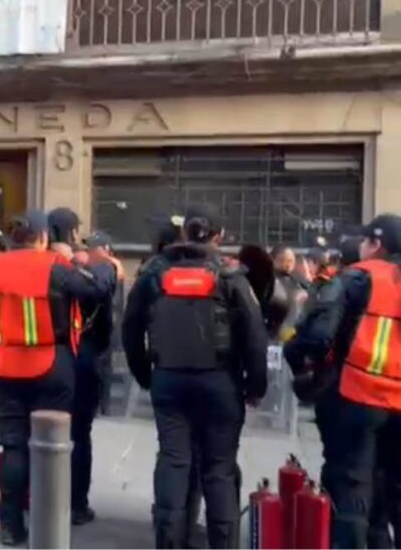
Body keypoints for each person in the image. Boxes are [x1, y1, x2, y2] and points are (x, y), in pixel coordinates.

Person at [123, 205, 268, 549]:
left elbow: (130, 328)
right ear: (219, 237)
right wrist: (255, 387)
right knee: (219, 468)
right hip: (221, 384)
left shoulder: (154, 273)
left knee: (173, 461)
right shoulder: (231, 276)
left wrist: (145, 374)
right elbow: (255, 337)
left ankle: (170, 542)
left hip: (169, 381)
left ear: (184, 233)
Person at [0, 209, 116, 546]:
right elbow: (96, 289)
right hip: (49, 363)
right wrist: (102, 263)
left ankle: (10, 524)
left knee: (13, 443)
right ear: (43, 237)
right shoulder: (54, 266)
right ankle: (50, 519)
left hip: (3, 363)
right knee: (52, 445)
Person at [284, 214, 401, 548]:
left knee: (353, 488)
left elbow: (318, 336)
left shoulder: (359, 278)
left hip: (361, 398)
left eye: (365, 241)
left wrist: (299, 360)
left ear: (376, 244)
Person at [71, 230, 124, 525]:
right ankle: (76, 503)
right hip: (85, 355)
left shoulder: (61, 267)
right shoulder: (101, 271)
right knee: (78, 434)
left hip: (52, 357)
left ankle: (37, 496)